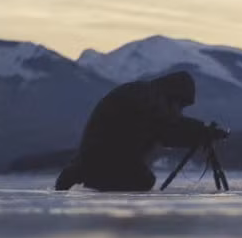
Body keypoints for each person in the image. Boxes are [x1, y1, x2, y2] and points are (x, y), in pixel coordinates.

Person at [55, 71, 228, 192]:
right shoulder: (150, 99)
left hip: (97, 157)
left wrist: (199, 131)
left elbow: (166, 130)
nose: (179, 111)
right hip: (105, 159)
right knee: (142, 180)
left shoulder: (146, 94)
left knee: (142, 178)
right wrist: (201, 131)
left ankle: (78, 172)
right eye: (180, 105)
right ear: (174, 96)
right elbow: (167, 129)